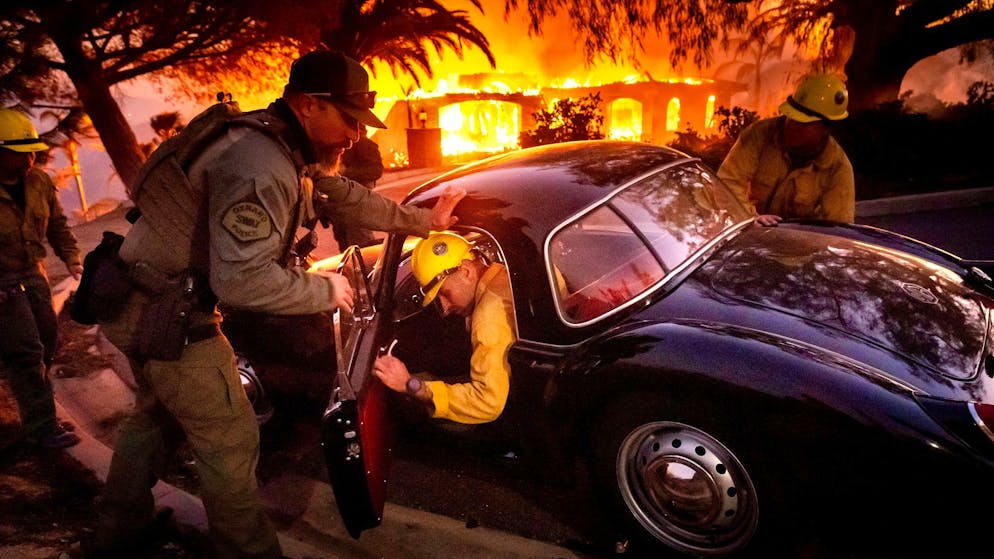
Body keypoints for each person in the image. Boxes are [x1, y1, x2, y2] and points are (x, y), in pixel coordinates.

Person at [92, 50, 462, 558]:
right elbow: (241, 282)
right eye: (348, 119)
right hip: (168, 316)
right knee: (230, 438)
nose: (356, 134)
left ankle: (118, 534)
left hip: (141, 297)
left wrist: (425, 221)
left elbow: (345, 196)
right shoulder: (259, 164)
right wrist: (324, 290)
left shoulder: (278, 141)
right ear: (307, 104)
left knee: (155, 418)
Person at [0, 107, 83, 450]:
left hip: (35, 275)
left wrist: (73, 261)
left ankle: (41, 411)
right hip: (2, 285)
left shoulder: (39, 182)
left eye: (31, 150)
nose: (30, 158)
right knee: (26, 352)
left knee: (48, 342)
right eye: (19, 153)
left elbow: (58, 226)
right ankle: (41, 426)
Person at [372, 231, 516, 425]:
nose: (446, 308)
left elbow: (488, 403)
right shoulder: (506, 273)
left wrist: (411, 386)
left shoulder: (488, 320)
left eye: (445, 293)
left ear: (466, 271)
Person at [717, 73, 855, 226]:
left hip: (796, 244)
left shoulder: (837, 167)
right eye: (792, 116)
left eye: (804, 123)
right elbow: (726, 183)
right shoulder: (759, 135)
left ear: (826, 129)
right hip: (749, 233)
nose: (793, 126)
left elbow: (838, 229)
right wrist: (748, 217)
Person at [334, 123, 384, 248]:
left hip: (358, 200)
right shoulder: (344, 144)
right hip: (343, 200)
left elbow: (375, 170)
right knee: (346, 242)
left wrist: (346, 172)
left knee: (361, 243)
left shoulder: (366, 145)